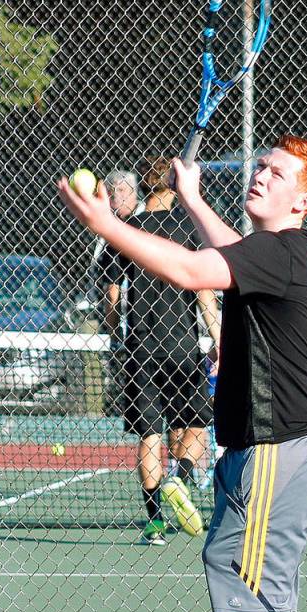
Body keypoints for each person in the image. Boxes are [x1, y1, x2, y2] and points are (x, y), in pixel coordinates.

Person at [58, 134, 307, 612]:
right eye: (261, 165)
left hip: (277, 450)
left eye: (277, 173)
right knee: (250, 602)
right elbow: (223, 251)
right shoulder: (269, 254)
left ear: (302, 200)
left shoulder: (279, 252)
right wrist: (191, 199)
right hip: (265, 450)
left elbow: (188, 270)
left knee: (254, 605)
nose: (260, 174)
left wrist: (107, 225)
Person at [97, 157, 220, 545]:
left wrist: (115, 331)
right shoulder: (188, 229)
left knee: (150, 435)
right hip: (182, 347)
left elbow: (112, 293)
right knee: (195, 424)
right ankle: (179, 478)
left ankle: (154, 523)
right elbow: (204, 293)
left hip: (141, 349)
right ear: (174, 187)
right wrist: (219, 338)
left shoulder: (126, 231)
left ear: (143, 188)